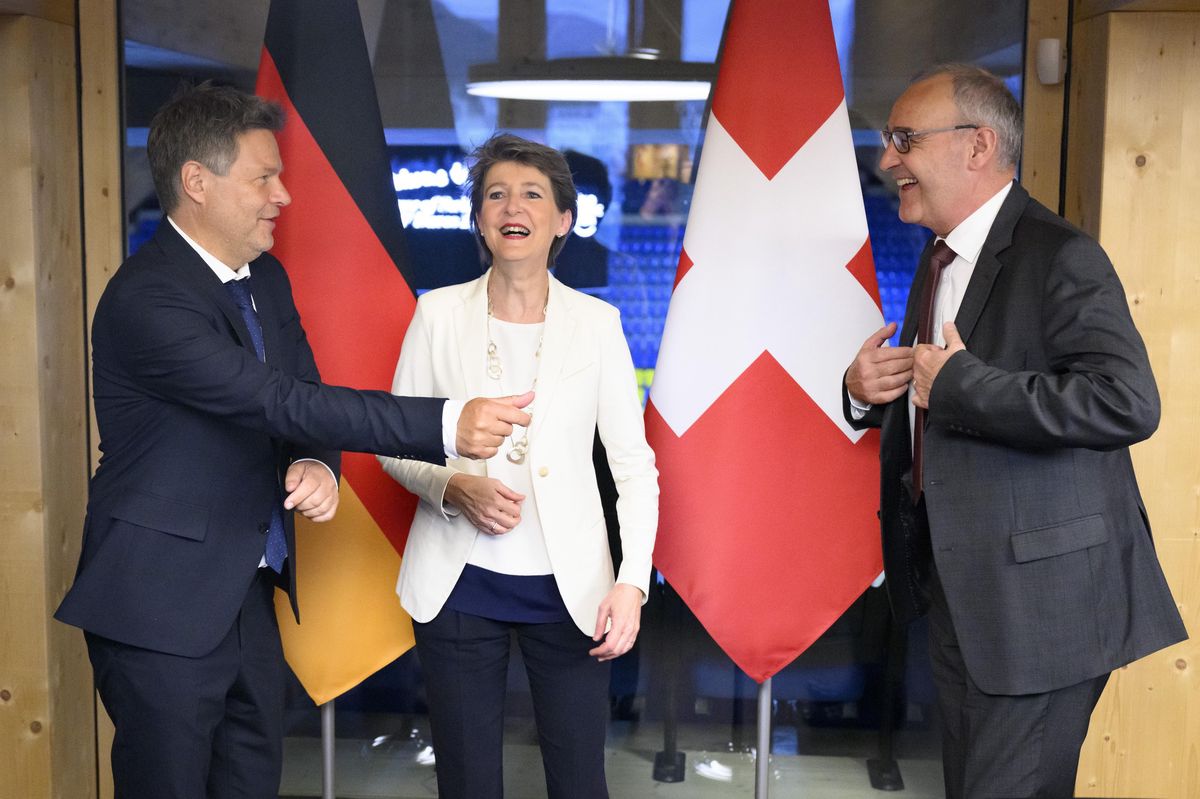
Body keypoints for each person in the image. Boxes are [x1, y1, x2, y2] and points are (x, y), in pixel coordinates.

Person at [54, 84, 532, 799]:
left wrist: (313, 458)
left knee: (252, 780)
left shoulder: (265, 279)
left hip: (243, 596)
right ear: (197, 183)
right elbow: (275, 398)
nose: (282, 195)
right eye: (262, 177)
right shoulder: (148, 299)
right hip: (157, 604)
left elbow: (300, 407)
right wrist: (443, 423)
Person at [843, 64, 1186, 798]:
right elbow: (938, 393)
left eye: (904, 139)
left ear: (977, 146)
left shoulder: (1061, 255)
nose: (886, 160)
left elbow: (1127, 401)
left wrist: (962, 385)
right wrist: (869, 395)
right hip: (963, 597)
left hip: (1042, 611)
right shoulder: (938, 258)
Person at [379, 133, 659, 799]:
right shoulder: (435, 314)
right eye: (497, 193)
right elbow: (395, 442)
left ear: (564, 220)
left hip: (571, 593)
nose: (513, 206)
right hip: (458, 584)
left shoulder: (599, 323)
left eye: (533, 193)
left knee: (578, 781)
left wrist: (632, 583)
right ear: (479, 217)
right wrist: (453, 486)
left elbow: (632, 468)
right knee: (467, 782)